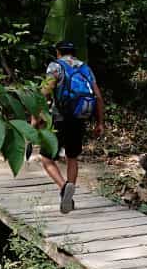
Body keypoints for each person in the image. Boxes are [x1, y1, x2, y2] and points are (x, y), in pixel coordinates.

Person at [33, 41, 105, 214]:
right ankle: (70, 193)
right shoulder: (85, 68)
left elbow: (44, 93)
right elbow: (98, 97)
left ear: (58, 52)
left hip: (59, 119)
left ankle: (64, 187)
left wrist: (36, 118)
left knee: (46, 158)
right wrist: (100, 123)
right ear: (74, 52)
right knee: (72, 157)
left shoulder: (55, 67)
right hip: (79, 118)